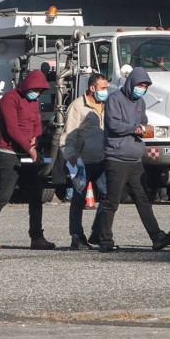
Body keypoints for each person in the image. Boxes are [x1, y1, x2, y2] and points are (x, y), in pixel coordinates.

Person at [96, 67, 170, 252]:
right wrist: (135, 128)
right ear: (131, 83)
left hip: (135, 159)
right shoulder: (114, 99)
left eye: (144, 85)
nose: (141, 88)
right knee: (112, 201)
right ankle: (105, 240)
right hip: (116, 158)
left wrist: (144, 127)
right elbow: (113, 124)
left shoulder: (140, 101)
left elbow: (143, 120)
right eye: (140, 84)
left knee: (143, 199)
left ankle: (157, 236)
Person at [0, 69, 55, 250]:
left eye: (40, 90)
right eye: (34, 89)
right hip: (8, 152)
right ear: (27, 84)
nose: (36, 93)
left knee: (35, 195)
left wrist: (35, 137)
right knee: (4, 195)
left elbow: (37, 123)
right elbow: (12, 129)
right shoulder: (9, 99)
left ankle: (37, 237)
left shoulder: (33, 100)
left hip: (27, 155)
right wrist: (29, 148)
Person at [60, 72, 109, 250]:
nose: (105, 91)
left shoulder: (106, 105)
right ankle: (76, 236)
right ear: (92, 88)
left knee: (107, 196)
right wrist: (70, 155)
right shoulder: (77, 106)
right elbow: (69, 134)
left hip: (102, 159)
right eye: (103, 88)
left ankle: (98, 232)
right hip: (82, 161)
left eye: (107, 88)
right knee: (78, 199)